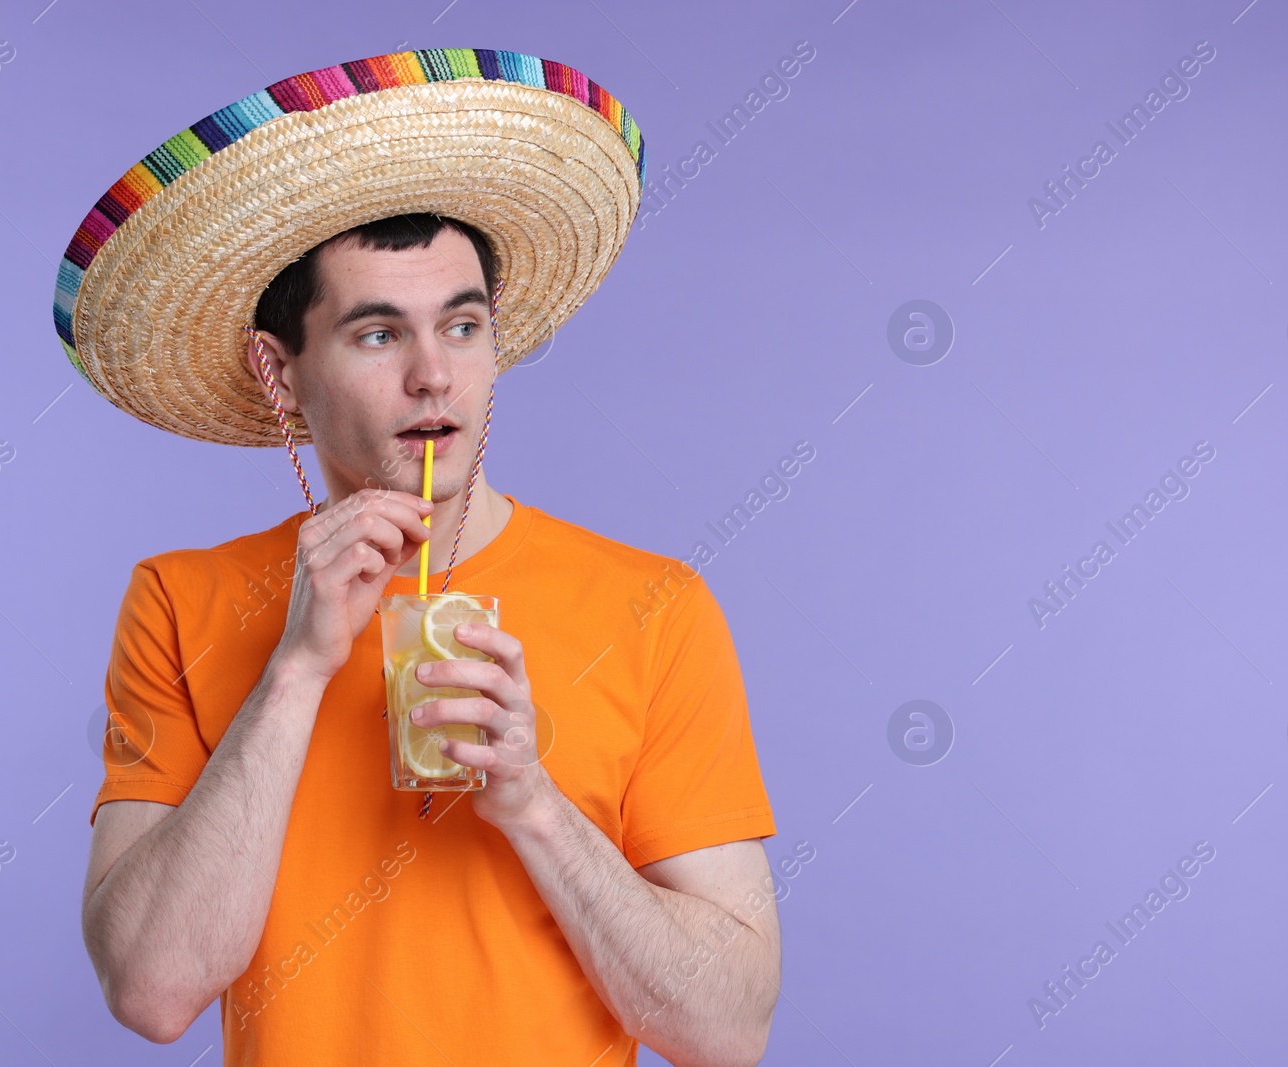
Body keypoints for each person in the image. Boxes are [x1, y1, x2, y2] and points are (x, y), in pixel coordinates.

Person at [58, 48, 779, 1067]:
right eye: (375, 333)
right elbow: (152, 987)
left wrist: (533, 800)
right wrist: (298, 667)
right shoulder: (184, 598)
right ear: (280, 370)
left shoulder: (655, 606)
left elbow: (728, 1027)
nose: (434, 374)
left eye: (463, 324)